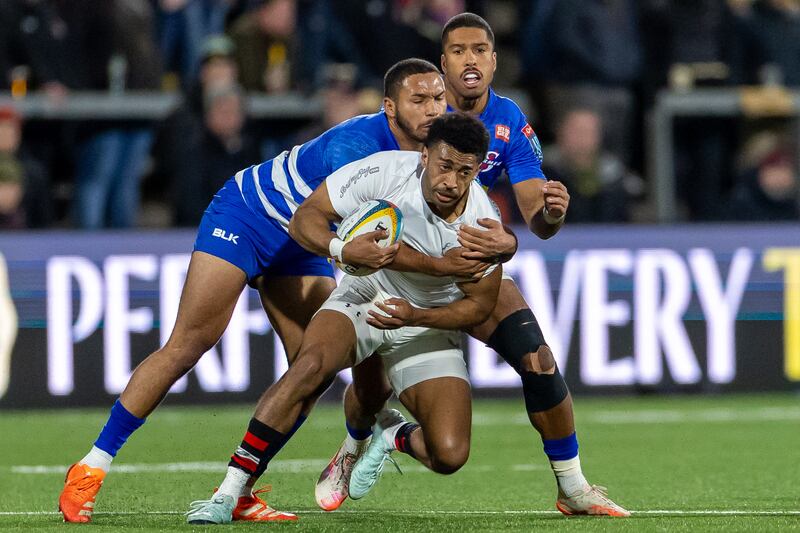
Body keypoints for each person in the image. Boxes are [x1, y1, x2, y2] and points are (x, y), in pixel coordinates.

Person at [58, 58, 477, 523]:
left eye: (438, 98)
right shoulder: (359, 146)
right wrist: (361, 254)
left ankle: (246, 490)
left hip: (307, 247)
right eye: (418, 100)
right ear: (389, 107)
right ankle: (91, 467)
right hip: (253, 217)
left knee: (311, 368)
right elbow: (319, 225)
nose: (432, 109)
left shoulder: (430, 155)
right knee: (188, 344)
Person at [318, 13, 629, 517]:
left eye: (479, 50)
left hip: (466, 269)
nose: (470, 59)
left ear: (493, 60)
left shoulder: (508, 121)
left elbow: (534, 217)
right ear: (442, 65)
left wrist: (548, 215)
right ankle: (352, 448)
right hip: (392, 268)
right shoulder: (414, 119)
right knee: (373, 381)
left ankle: (572, 488)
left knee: (540, 361)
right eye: (458, 51)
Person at [185, 112, 503, 524]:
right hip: (368, 295)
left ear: (477, 169)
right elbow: (306, 218)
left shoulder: (483, 223)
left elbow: (479, 307)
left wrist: (417, 314)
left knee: (450, 455)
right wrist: (340, 249)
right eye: (445, 166)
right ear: (424, 156)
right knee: (310, 366)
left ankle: (394, 434)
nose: (453, 182)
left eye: (465, 171)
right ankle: (229, 491)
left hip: (426, 322)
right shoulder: (382, 170)